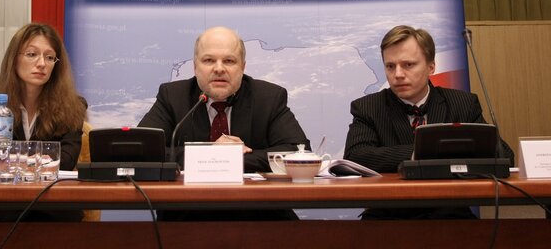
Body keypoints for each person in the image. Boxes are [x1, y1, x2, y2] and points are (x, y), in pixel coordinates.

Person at [343, 25, 515, 220]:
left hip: (450, 215)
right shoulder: (369, 107)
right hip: (388, 216)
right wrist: (423, 152)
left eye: (408, 65)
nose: (398, 74)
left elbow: (505, 155)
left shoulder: (462, 104)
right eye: (390, 66)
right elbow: (356, 157)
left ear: (431, 67)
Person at [139, 26, 309, 221]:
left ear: (242, 67)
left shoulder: (268, 97)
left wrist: (230, 157)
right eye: (209, 60)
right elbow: (145, 151)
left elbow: (296, 152)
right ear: (195, 66)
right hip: (186, 217)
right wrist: (212, 151)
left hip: (262, 215)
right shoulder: (173, 96)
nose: (219, 68)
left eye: (229, 61)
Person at [0, 23, 86, 222]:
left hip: (58, 211)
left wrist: (13, 159)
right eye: (32, 54)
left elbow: (65, 161)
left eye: (49, 57)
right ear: (13, 59)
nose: (41, 63)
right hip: (9, 211)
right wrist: (41, 158)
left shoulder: (74, 107)